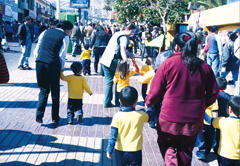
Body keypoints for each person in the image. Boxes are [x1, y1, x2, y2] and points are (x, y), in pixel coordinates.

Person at [145, 32, 219, 166]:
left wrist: (149, 103)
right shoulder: (205, 67)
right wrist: (202, 104)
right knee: (186, 152)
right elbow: (214, 92)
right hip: (193, 119)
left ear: (177, 47)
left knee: (166, 145)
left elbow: (155, 91)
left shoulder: (168, 63)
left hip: (169, 118)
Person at [34, 20, 73, 124]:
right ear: (67, 29)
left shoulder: (45, 32)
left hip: (40, 62)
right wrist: (61, 67)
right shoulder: (64, 36)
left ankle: (39, 116)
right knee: (55, 91)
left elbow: (37, 48)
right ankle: (55, 117)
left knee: (43, 89)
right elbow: (62, 55)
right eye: (70, 31)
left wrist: (38, 60)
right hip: (52, 64)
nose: (70, 33)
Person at [106, 86, 152, 165]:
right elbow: (149, 116)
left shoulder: (117, 116)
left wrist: (109, 149)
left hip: (120, 150)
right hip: (135, 150)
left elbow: (113, 135)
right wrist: (148, 107)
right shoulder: (141, 115)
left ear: (120, 101)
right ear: (136, 101)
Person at [100, 23, 136, 108]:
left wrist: (130, 54)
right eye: (132, 31)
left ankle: (107, 102)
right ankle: (118, 101)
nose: (132, 34)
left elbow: (117, 47)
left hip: (105, 60)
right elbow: (122, 50)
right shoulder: (123, 38)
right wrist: (126, 62)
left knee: (109, 82)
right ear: (127, 29)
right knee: (120, 80)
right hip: (114, 61)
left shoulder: (117, 34)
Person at [204, 96, 240, 166]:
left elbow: (209, 120)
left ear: (230, 109)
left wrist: (202, 110)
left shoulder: (223, 121)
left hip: (224, 155)